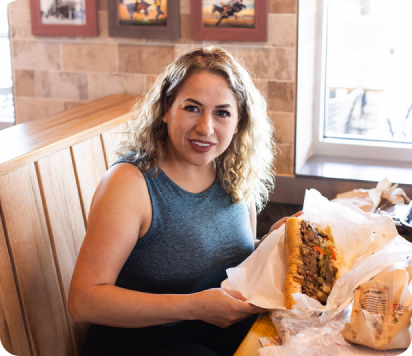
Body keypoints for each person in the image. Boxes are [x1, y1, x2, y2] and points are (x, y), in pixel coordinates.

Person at [68, 46, 301, 356]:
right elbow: (83, 302)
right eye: (192, 108)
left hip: (213, 333)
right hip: (138, 343)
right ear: (166, 109)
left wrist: (272, 244)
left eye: (222, 112)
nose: (206, 127)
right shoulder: (130, 183)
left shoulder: (233, 172)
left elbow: (227, 260)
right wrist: (195, 307)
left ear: (239, 120)